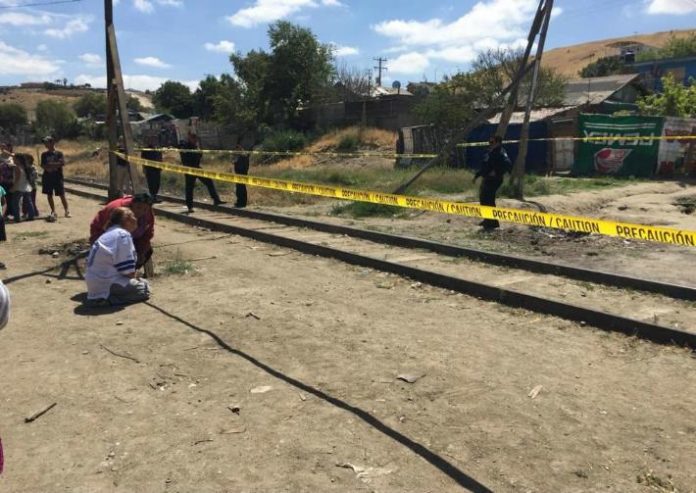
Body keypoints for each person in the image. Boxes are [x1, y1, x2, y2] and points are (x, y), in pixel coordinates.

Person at [85, 207, 150, 307]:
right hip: (107, 282)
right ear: (127, 220)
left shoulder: (109, 233)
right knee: (144, 289)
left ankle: (102, 296)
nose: (136, 219)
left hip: (95, 281)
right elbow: (127, 271)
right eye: (133, 216)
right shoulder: (123, 235)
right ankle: (107, 300)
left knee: (142, 282)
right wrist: (135, 276)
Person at [89, 192, 155, 269]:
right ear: (132, 204)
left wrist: (141, 251)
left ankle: (129, 270)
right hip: (105, 236)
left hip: (130, 239)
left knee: (146, 252)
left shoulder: (148, 213)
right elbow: (107, 233)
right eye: (138, 207)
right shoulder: (117, 210)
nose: (141, 212)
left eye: (145, 209)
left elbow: (147, 234)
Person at [179, 132, 225, 213]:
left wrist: (199, 151)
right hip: (189, 169)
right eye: (194, 139)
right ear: (190, 139)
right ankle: (190, 207)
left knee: (209, 181)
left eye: (196, 139)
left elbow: (199, 156)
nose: (195, 141)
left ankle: (216, 200)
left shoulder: (195, 146)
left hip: (197, 167)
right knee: (189, 188)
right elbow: (185, 156)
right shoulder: (185, 146)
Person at [474, 135, 512, 231]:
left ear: (498, 143)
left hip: (494, 180)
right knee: (483, 199)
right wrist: (477, 176)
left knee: (489, 200)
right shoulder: (490, 152)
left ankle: (493, 223)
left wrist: (497, 172)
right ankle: (487, 220)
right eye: (489, 142)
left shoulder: (501, 152)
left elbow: (507, 164)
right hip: (487, 178)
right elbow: (485, 166)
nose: (490, 144)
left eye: (492, 142)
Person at [40, 136, 70, 220]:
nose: (45, 144)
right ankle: (53, 211)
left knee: (61, 194)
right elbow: (43, 165)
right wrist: (51, 167)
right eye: (44, 143)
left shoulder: (59, 153)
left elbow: (62, 163)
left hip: (58, 177)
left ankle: (67, 210)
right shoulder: (44, 154)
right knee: (49, 194)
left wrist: (50, 166)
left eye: (47, 142)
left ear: (52, 142)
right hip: (47, 177)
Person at [11, 154, 37, 222]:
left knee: (15, 203)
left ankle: (17, 218)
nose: (13, 160)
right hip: (27, 187)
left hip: (19, 187)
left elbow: (17, 179)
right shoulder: (26, 167)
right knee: (29, 202)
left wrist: (13, 187)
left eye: (14, 159)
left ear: (18, 160)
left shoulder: (17, 168)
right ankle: (31, 216)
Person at [141, 133, 163, 203]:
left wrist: (161, 166)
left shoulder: (158, 149)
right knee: (151, 183)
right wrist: (144, 168)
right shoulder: (146, 149)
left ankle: (155, 196)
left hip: (157, 169)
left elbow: (160, 158)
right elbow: (143, 159)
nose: (154, 141)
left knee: (157, 183)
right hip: (150, 169)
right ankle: (152, 197)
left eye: (155, 140)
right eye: (153, 140)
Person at [0, 143, 15, 220]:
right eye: (1, 147)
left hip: (11, 180)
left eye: (4, 147)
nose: (3, 148)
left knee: (10, 197)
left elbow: (16, 164)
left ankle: (11, 213)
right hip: (2, 179)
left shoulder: (11, 156)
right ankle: (4, 213)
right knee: (3, 197)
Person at [233, 143, 250, 208]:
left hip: (241, 173)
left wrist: (235, 162)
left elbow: (241, 166)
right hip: (240, 173)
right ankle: (240, 202)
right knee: (240, 188)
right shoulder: (242, 155)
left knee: (240, 188)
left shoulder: (243, 155)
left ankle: (241, 203)